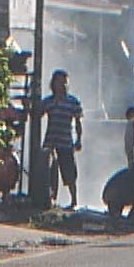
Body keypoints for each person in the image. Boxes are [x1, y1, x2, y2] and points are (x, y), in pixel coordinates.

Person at [27, 69, 86, 210]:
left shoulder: (72, 102)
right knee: (48, 172)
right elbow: (37, 115)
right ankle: (49, 198)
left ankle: (73, 201)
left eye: (65, 82)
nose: (63, 84)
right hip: (51, 141)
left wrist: (78, 140)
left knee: (69, 173)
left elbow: (78, 122)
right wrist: (29, 106)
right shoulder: (49, 101)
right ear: (54, 83)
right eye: (60, 81)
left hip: (65, 141)